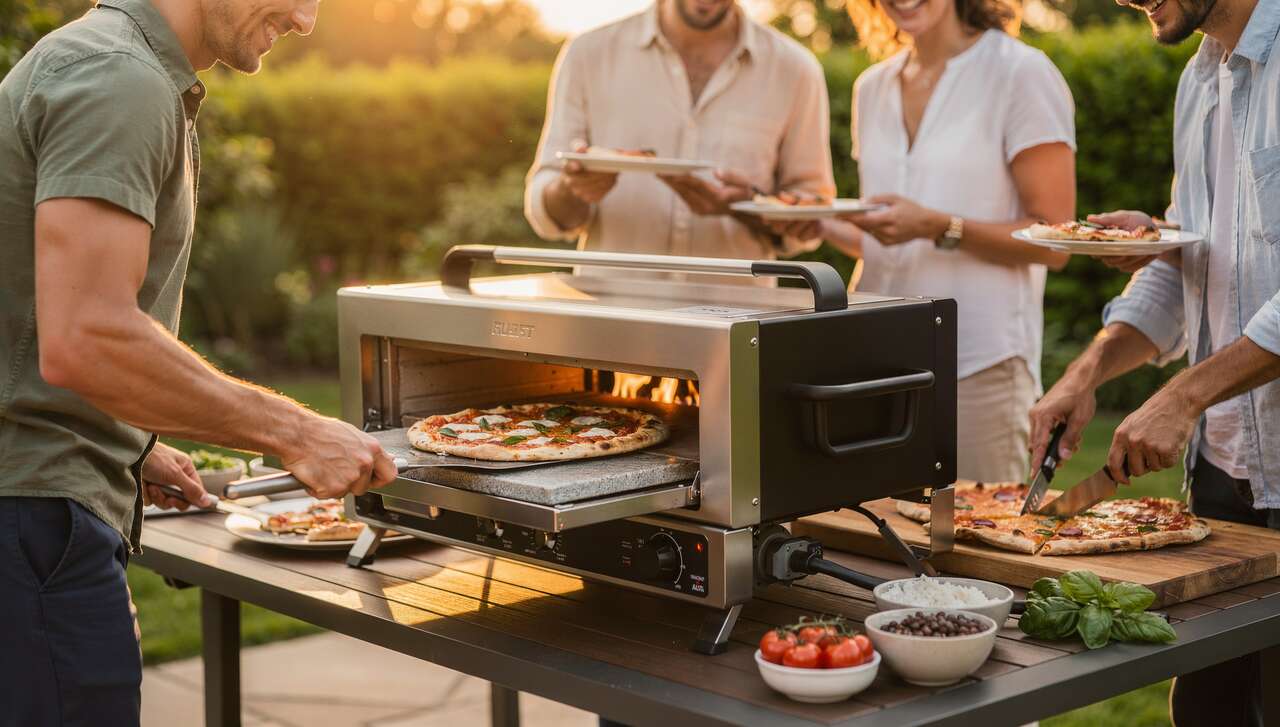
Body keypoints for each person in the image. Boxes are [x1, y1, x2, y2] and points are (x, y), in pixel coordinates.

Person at [0, 1, 397, 724]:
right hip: (33, 526)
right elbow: (87, 333)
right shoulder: (119, 77)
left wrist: (134, 440)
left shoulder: (114, 64)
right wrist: (297, 432)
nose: (307, 20)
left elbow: (29, 310)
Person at [1028, 0, 1280, 720]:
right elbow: (1186, 264)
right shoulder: (1198, 82)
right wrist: (1086, 374)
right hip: (1225, 476)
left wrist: (1183, 396)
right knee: (1211, 709)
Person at [773, 0, 1077, 482]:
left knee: (972, 542)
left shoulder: (1020, 73)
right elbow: (891, 237)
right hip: (876, 364)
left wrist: (938, 225)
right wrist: (821, 223)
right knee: (873, 543)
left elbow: (1054, 241)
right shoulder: (871, 87)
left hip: (979, 364)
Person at [523, 0, 836, 275]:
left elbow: (810, 210)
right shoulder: (588, 54)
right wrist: (572, 189)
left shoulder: (795, 69)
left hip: (736, 322)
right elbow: (544, 210)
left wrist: (747, 208)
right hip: (611, 317)